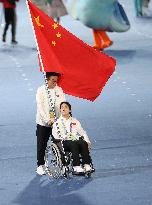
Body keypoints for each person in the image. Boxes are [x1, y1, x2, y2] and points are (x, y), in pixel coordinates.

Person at [36, 72, 66, 175]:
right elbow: (40, 108)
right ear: (47, 80)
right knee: (41, 145)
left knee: (59, 143)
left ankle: (61, 164)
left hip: (56, 123)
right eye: (53, 80)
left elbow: (63, 104)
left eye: (56, 81)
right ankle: (40, 165)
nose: (55, 83)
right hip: (43, 123)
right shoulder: (41, 90)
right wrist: (47, 119)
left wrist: (61, 119)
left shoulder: (59, 90)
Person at [52, 101, 93, 174]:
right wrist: (64, 137)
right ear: (60, 110)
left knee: (83, 143)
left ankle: (86, 165)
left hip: (74, 140)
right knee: (73, 143)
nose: (63, 109)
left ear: (69, 110)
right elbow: (55, 135)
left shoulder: (75, 121)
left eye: (66, 107)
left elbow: (82, 132)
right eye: (62, 107)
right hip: (63, 142)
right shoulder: (57, 123)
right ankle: (76, 167)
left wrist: (87, 141)